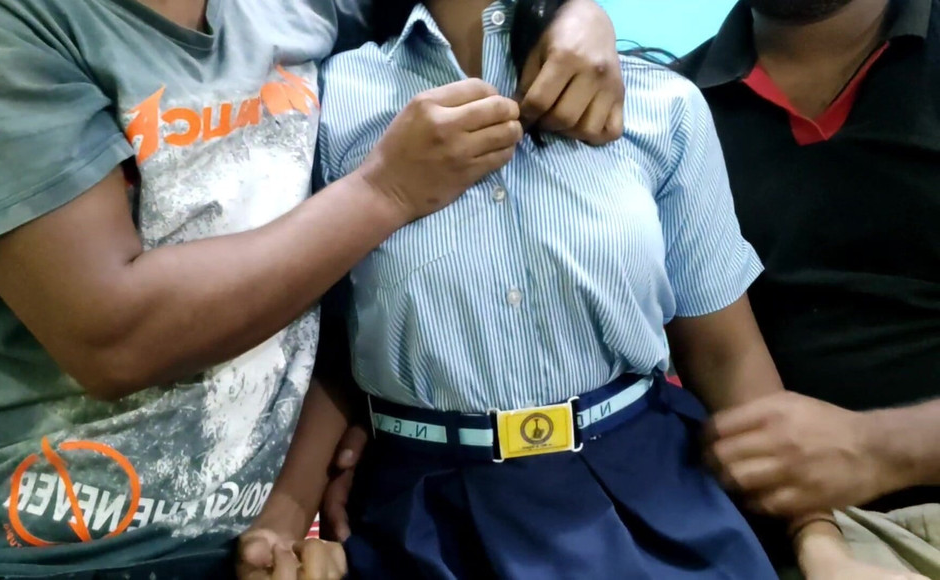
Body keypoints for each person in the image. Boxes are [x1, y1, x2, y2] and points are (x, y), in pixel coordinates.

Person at [0, 0, 626, 577]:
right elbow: (113, 337)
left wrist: (568, 16)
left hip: (248, 547)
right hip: (19, 540)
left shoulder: (309, 11)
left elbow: (451, 20)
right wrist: (387, 190)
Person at [234, 1, 889, 577]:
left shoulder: (661, 104)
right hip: (423, 516)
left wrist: (819, 542)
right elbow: (327, 340)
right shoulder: (322, 105)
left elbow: (726, 354)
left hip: (653, 494)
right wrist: (286, 517)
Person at [675, 0, 940, 577]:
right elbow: (715, 359)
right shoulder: (667, 115)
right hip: (775, 534)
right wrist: (816, 537)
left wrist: (880, 448)